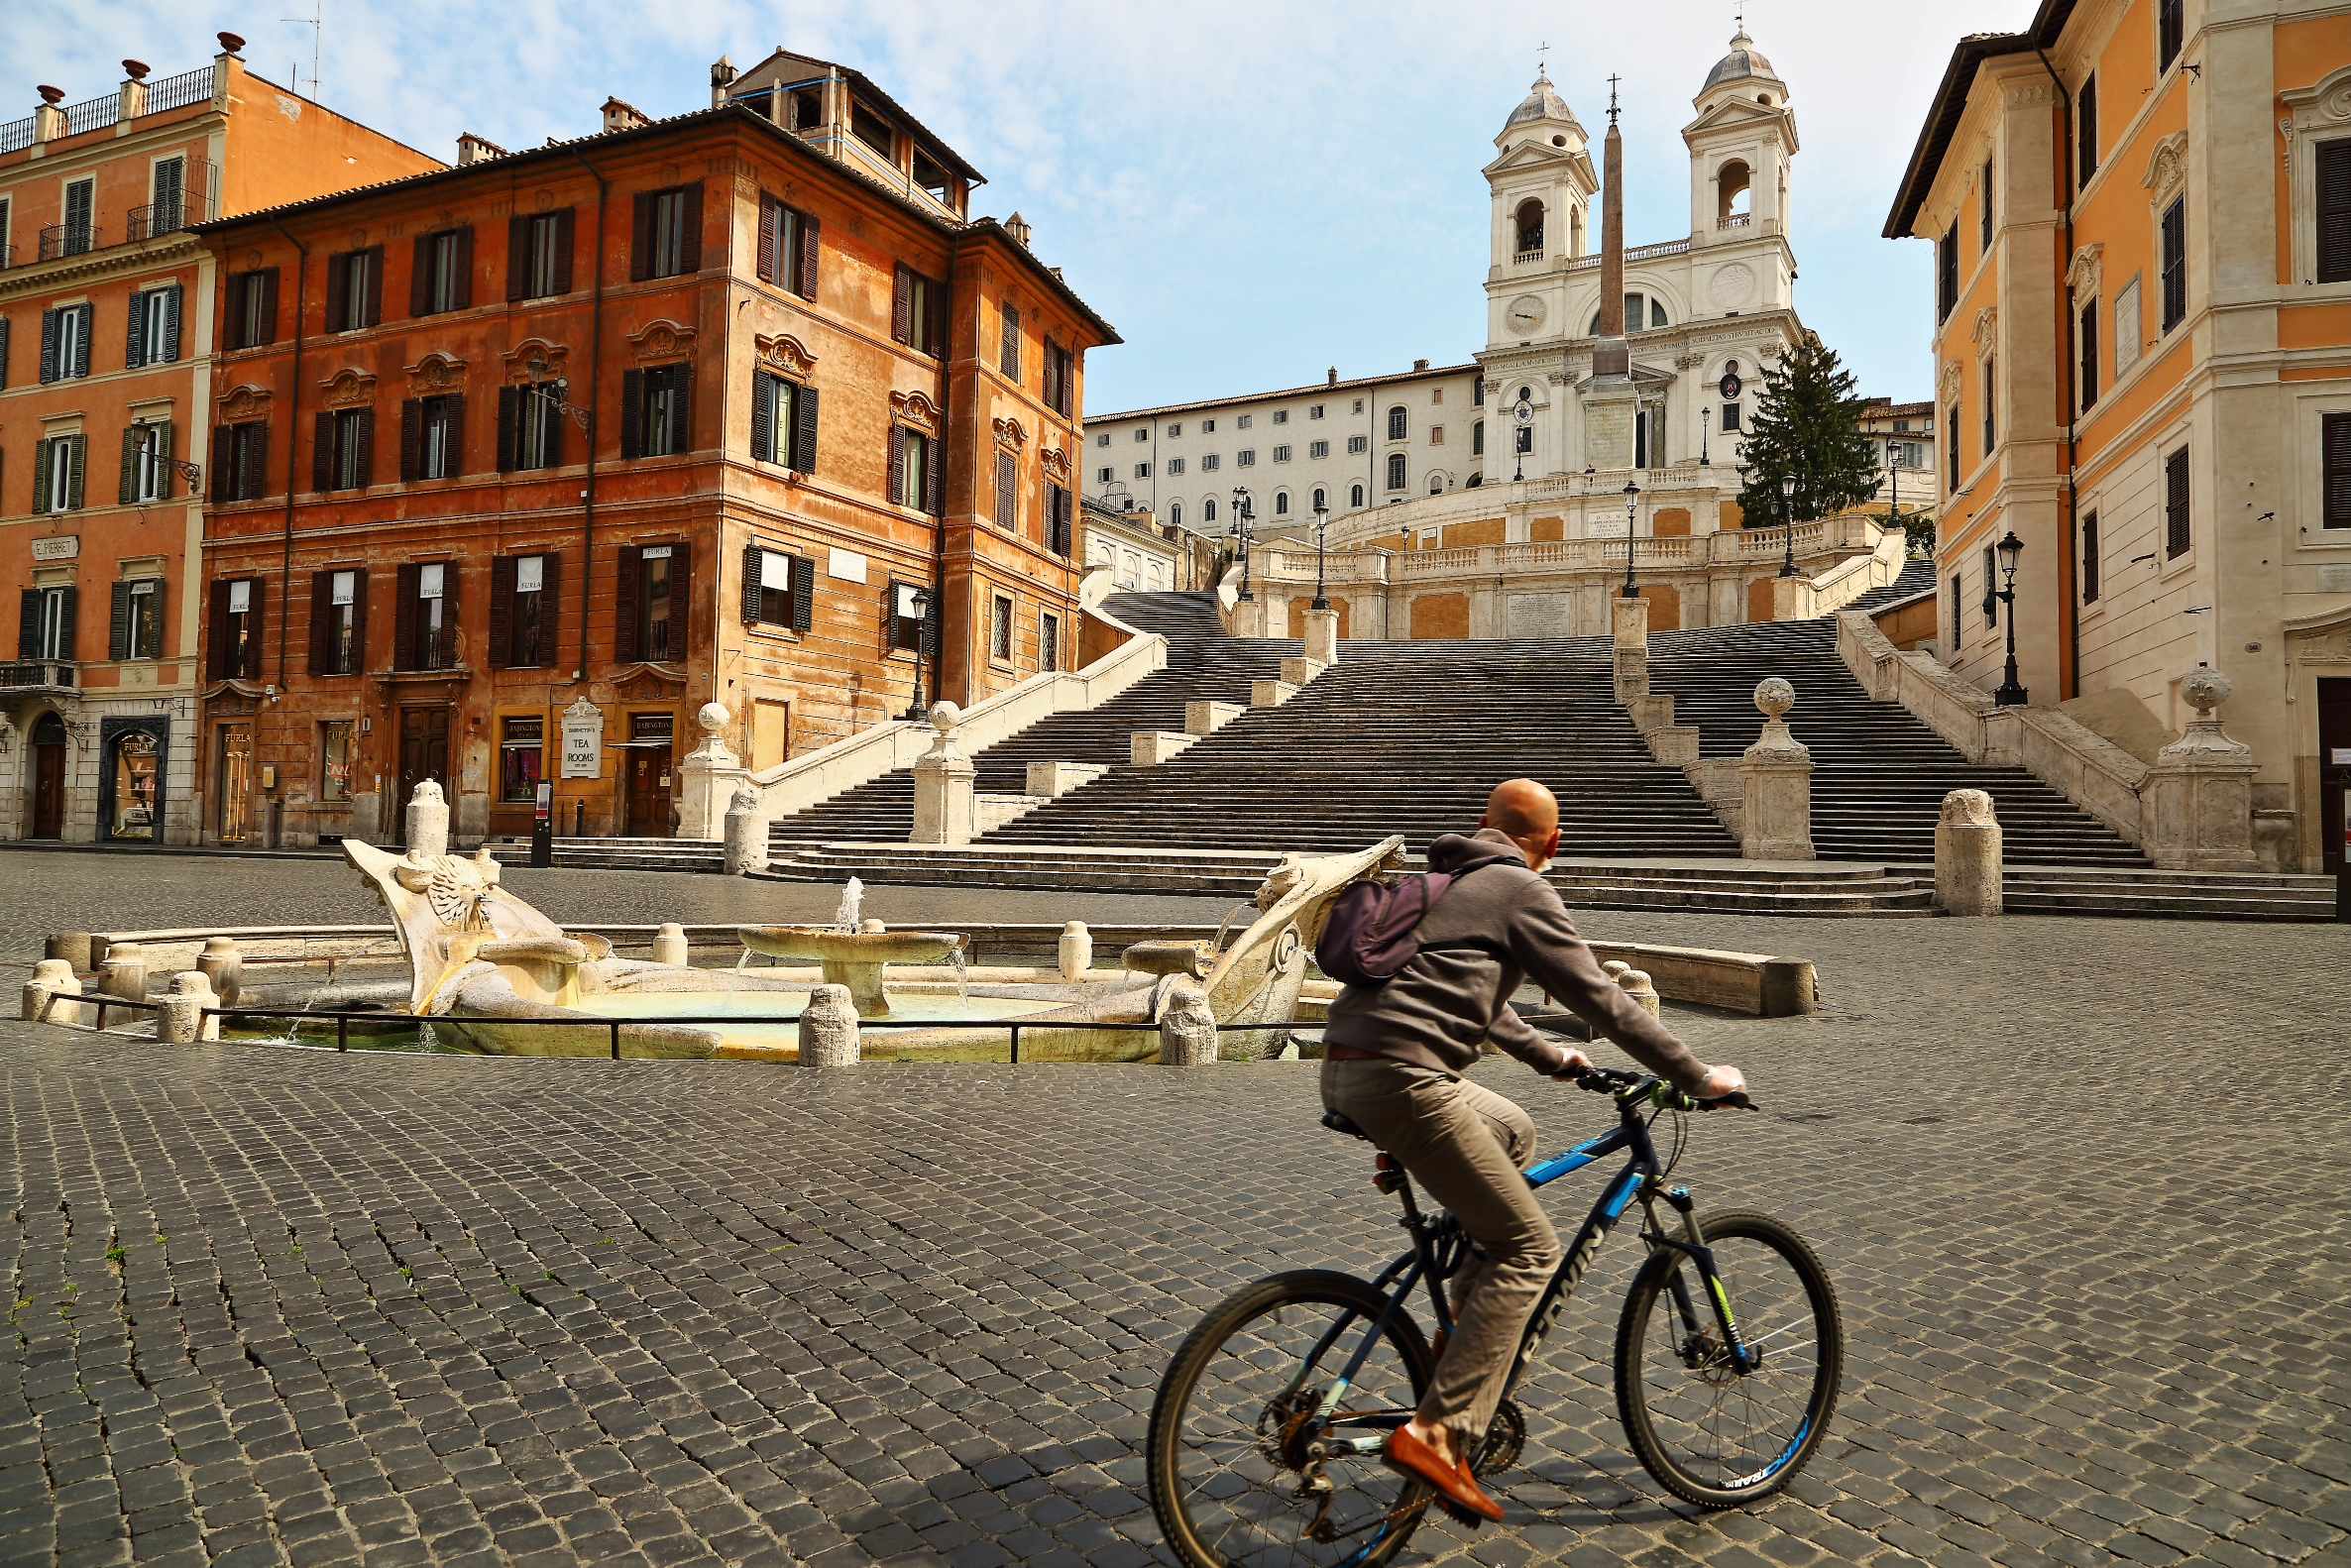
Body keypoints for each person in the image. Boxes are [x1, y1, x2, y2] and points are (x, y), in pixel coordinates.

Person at [1319, 777, 1746, 1522]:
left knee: (1514, 1130)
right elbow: (1602, 999)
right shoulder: (1521, 890)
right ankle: (1440, 1434)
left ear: (1484, 823)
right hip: (1409, 1083)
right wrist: (1699, 1075)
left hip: (1347, 1069)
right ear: (1552, 844)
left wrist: (1553, 1058)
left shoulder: (1441, 880)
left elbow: (1469, 998)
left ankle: (1463, 1320)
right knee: (1530, 1250)